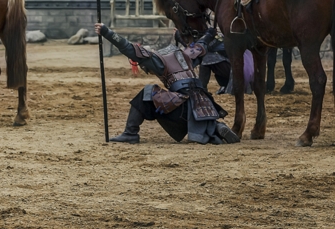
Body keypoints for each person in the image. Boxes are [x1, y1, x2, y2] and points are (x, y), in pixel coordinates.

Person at [93, 23, 239, 145]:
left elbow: (129, 48)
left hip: (183, 107)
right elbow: (202, 44)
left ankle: (130, 133)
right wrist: (210, 32)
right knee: (180, 103)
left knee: (148, 92)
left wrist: (107, 32)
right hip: (206, 106)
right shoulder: (186, 55)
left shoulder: (157, 60)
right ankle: (215, 126)